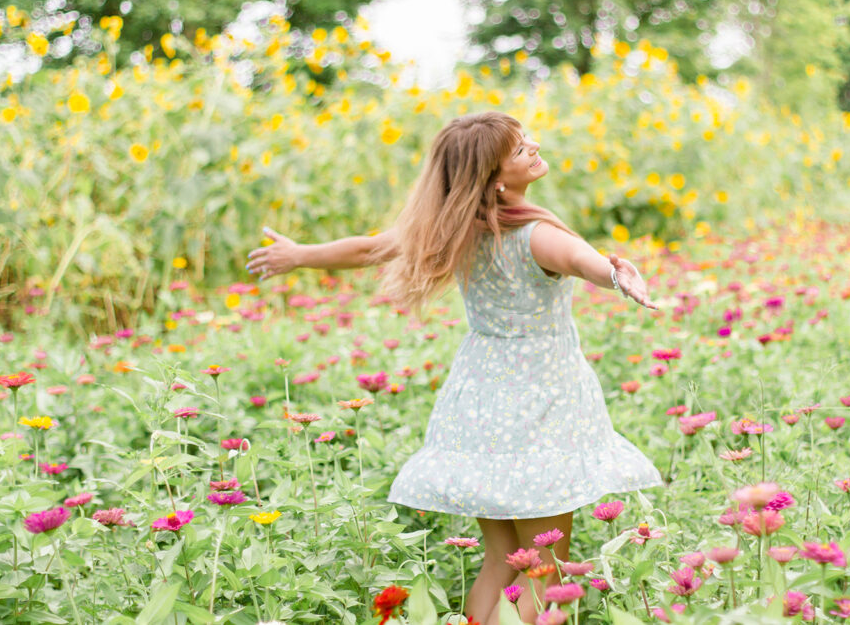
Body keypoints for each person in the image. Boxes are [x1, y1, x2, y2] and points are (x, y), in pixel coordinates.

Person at [246, 111, 663, 624]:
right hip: (542, 402)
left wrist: (300, 254)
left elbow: (368, 248)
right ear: (493, 178)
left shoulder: (451, 228)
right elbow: (582, 260)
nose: (533, 146)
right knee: (544, 567)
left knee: (502, 559)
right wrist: (617, 275)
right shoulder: (533, 234)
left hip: (481, 400)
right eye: (518, 149)